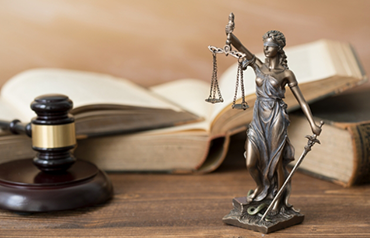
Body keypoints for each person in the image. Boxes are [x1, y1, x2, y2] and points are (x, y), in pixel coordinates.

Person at [225, 28, 322, 215]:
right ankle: (263, 188)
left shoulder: (286, 74)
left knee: (277, 162)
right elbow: (242, 47)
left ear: (278, 48)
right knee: (251, 162)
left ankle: (278, 201)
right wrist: (230, 36)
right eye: (264, 46)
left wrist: (312, 123)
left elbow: (301, 100)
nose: (265, 49)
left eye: (269, 46)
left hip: (276, 117)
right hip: (258, 118)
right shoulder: (259, 66)